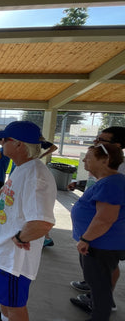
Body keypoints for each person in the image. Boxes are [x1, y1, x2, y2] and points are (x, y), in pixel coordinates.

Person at [0, 121, 56, 321]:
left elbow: (43, 222)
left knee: (15, 308)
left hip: (14, 260)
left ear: (18, 144)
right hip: (5, 256)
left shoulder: (35, 174)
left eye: (5, 139)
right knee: (7, 304)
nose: (1, 142)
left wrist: (19, 238)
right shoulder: (24, 168)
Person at [69, 126, 125, 312]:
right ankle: (98, 299)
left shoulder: (115, 177)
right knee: (97, 280)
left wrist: (86, 239)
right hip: (97, 240)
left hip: (102, 242)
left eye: (102, 140)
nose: (96, 143)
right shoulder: (108, 175)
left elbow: (105, 218)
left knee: (102, 280)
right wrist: (80, 184)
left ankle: (101, 306)